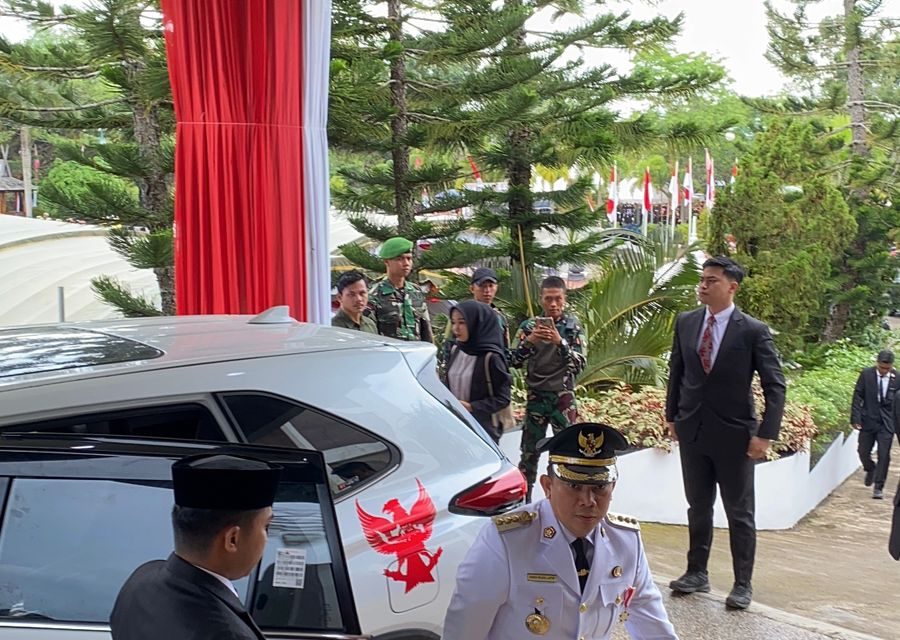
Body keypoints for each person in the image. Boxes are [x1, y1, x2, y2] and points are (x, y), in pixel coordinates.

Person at [443, 422, 678, 640]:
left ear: (612, 487)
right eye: (574, 486)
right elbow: (465, 629)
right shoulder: (507, 540)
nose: (588, 501)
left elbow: (652, 623)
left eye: (599, 488)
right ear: (548, 486)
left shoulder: (626, 541)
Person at [665, 256, 785, 610]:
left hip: (735, 435)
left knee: (739, 512)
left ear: (732, 287)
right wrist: (672, 415)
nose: (703, 285)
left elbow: (774, 385)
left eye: (711, 280)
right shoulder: (686, 322)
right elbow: (677, 372)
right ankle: (696, 573)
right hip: (693, 430)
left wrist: (765, 433)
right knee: (698, 506)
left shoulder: (752, 330)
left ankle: (742, 583)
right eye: (702, 279)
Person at [110, 454, 280, 640]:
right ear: (232, 539)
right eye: (266, 526)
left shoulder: (140, 582)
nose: (266, 539)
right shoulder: (227, 634)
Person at [510, 275, 586, 501]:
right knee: (529, 454)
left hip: (563, 398)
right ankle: (524, 502)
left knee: (567, 454)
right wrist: (530, 341)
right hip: (536, 397)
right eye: (548, 299)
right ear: (541, 300)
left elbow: (579, 363)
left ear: (565, 299)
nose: (553, 304)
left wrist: (559, 342)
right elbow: (512, 359)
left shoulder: (572, 327)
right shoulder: (529, 327)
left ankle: (564, 502)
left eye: (558, 299)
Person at [441, 300, 512, 443]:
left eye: (462, 322)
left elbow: (503, 398)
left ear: (477, 323)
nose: (456, 328)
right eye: (453, 322)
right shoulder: (456, 350)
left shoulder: (491, 357)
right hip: (456, 425)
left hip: (482, 430)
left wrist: (472, 407)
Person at [369, 236, 433, 342]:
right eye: (399, 259)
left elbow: (426, 329)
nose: (406, 263)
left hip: (416, 355)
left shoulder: (416, 291)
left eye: (409, 258)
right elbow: (370, 333)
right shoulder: (374, 295)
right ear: (387, 262)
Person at [854, 350, 897, 499]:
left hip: (887, 423)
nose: (884, 371)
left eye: (887, 368)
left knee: (884, 455)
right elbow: (857, 395)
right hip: (868, 420)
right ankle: (870, 468)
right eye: (882, 367)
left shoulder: (897, 378)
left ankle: (879, 487)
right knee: (863, 451)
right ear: (877, 363)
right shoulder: (866, 374)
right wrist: (856, 418)